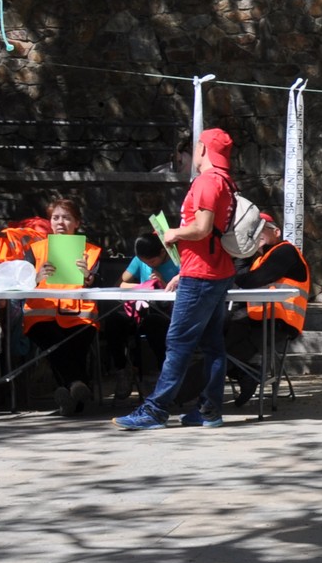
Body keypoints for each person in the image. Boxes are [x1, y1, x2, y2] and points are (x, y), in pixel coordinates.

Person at [117, 126, 238, 431]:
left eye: (196, 146)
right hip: (217, 271)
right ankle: (209, 410)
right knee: (211, 344)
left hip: (200, 274)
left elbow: (202, 228)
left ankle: (155, 410)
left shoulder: (207, 181)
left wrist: (173, 233)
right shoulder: (226, 181)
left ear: (202, 149)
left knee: (178, 341)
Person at [23, 194, 102, 416]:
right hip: (41, 316)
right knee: (56, 344)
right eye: (55, 217)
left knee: (73, 345)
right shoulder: (35, 249)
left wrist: (87, 276)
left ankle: (69, 393)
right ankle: (77, 385)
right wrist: (36, 277)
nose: (60, 222)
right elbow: (20, 282)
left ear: (77, 223)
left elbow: (102, 285)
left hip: (80, 315)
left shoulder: (92, 251)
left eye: (66, 218)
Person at [226, 214, 309, 406]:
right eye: (251, 231)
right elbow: (242, 279)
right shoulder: (259, 259)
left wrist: (241, 259)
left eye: (260, 229)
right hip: (256, 320)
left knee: (218, 351)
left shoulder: (285, 251)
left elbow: (250, 280)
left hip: (279, 323)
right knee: (211, 338)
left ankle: (181, 397)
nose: (255, 234)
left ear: (276, 232)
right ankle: (247, 374)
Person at [101, 233, 178, 400]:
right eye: (144, 262)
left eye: (152, 262)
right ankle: (122, 369)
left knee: (154, 324)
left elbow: (182, 293)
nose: (148, 265)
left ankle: (163, 374)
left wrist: (162, 283)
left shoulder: (176, 262)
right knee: (114, 321)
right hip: (140, 309)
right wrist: (143, 286)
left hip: (165, 314)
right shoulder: (140, 260)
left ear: (162, 252)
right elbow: (120, 284)